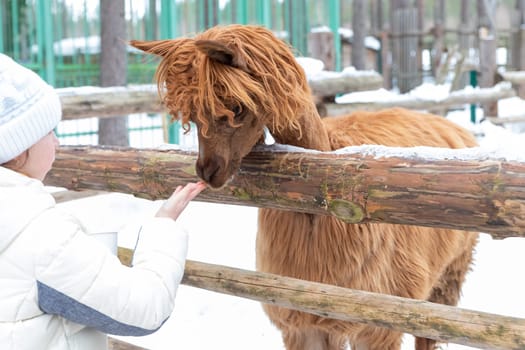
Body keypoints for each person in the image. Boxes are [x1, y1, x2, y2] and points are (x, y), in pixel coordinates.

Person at [0, 53, 207, 349]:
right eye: (47, 131)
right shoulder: (38, 237)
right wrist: (163, 227)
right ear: (18, 149)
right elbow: (144, 308)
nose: (57, 142)